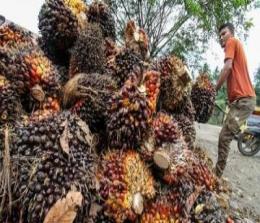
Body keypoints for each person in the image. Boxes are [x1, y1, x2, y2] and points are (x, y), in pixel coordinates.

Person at [215, 22, 256, 177]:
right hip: (240, 101)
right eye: (220, 35)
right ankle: (216, 174)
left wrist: (214, 89)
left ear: (231, 33)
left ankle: (216, 177)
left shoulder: (232, 42)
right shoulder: (235, 46)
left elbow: (227, 68)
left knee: (224, 137)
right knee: (225, 135)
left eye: (224, 33)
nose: (221, 37)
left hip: (244, 101)